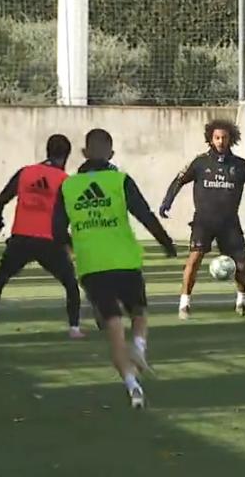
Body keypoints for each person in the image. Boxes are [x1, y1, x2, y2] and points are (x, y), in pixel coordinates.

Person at [53, 129, 176, 409]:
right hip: (125, 261)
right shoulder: (120, 180)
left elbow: (56, 230)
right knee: (139, 313)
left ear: (84, 154)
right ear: (111, 154)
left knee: (113, 327)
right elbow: (144, 214)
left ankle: (132, 387)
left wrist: (76, 248)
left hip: (92, 266)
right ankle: (140, 348)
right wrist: (166, 243)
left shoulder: (68, 187)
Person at [160, 119, 245, 320]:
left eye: (224, 137)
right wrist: (167, 201)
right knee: (194, 260)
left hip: (229, 223)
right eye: (217, 137)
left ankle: (241, 300)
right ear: (210, 139)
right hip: (203, 222)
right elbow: (179, 180)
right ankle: (184, 303)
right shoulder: (200, 163)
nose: (220, 141)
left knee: (241, 264)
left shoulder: (239, 165)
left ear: (231, 139)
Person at [0, 134, 84, 339]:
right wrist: (68, 241)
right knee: (70, 284)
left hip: (21, 238)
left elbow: (1, 200)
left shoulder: (26, 173)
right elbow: (66, 215)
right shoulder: (64, 181)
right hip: (48, 240)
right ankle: (74, 329)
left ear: (47, 151)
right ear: (66, 156)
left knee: (0, 279)